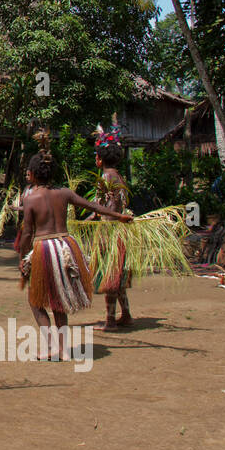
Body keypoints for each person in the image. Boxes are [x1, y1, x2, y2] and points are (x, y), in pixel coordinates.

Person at [16, 145, 131, 360]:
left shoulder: (30, 199)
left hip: (44, 248)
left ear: (33, 174)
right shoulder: (64, 193)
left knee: (36, 300)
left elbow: (26, 234)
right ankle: (61, 348)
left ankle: (53, 347)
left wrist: (23, 259)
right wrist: (119, 216)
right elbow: (93, 207)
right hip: (66, 247)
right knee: (58, 299)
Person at [90, 125, 133, 330]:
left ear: (99, 159)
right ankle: (125, 314)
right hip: (120, 231)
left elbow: (105, 209)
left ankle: (110, 320)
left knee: (110, 275)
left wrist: (93, 215)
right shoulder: (119, 176)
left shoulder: (105, 178)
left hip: (110, 232)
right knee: (118, 274)